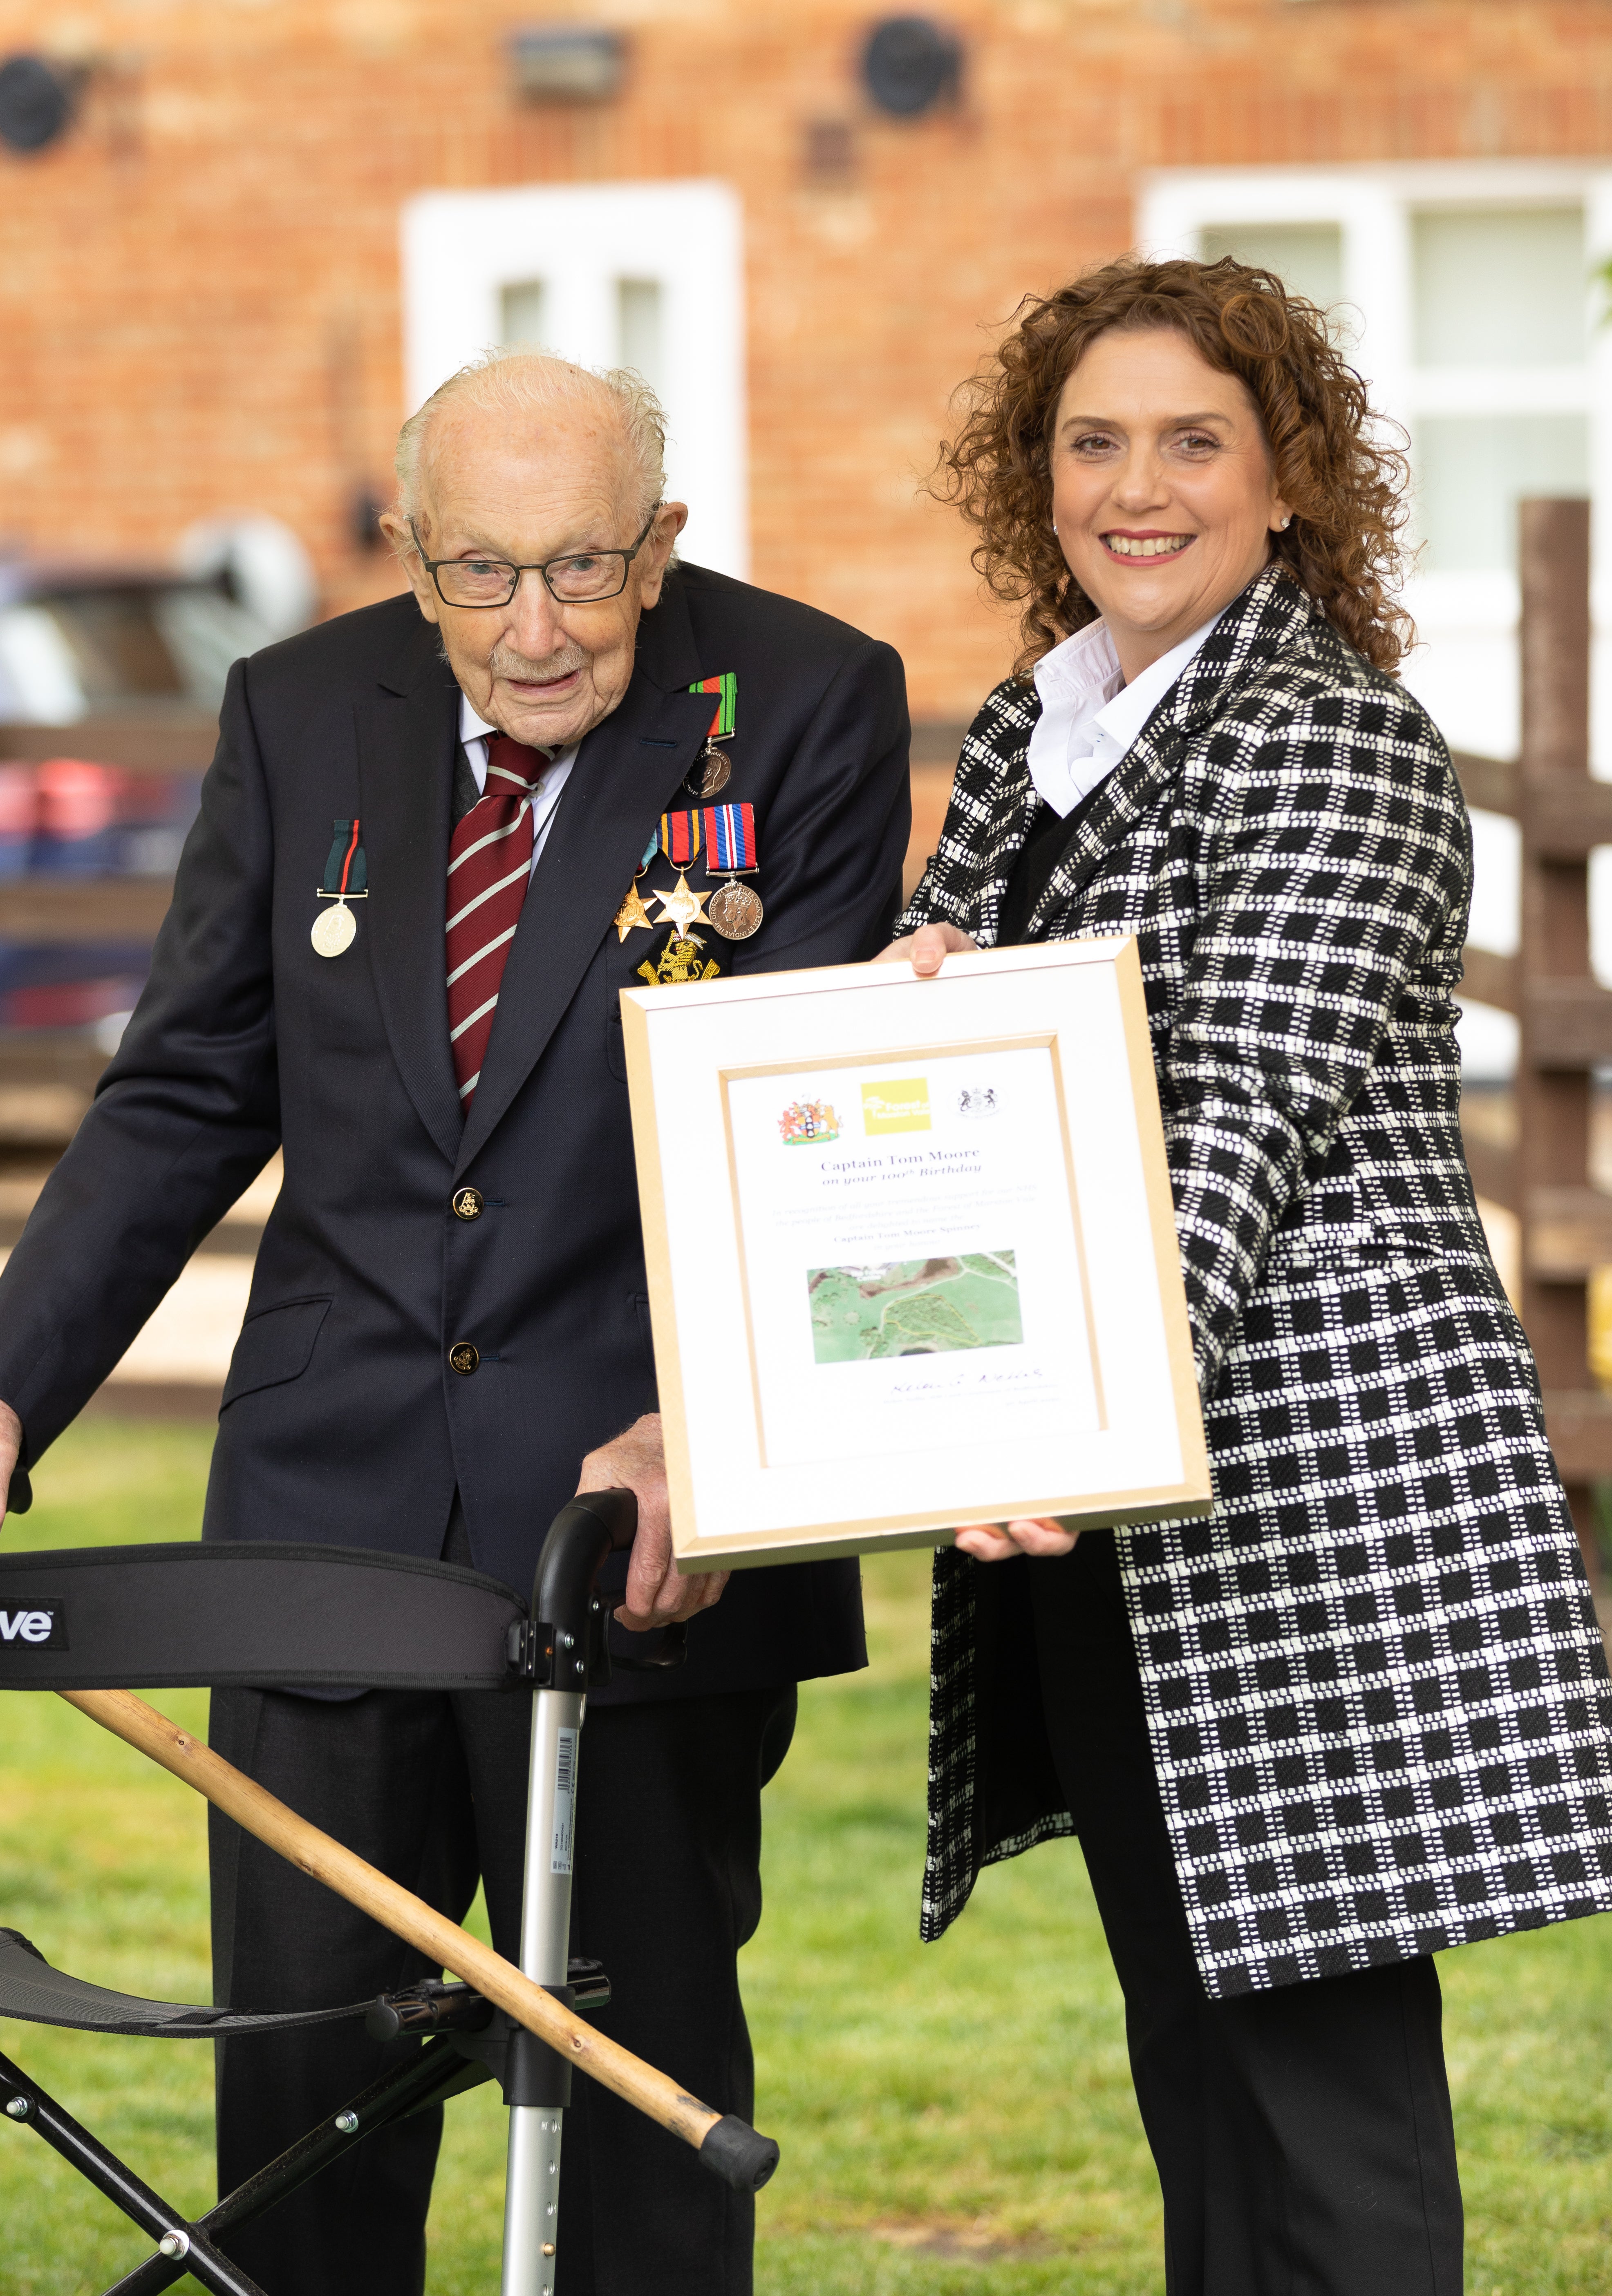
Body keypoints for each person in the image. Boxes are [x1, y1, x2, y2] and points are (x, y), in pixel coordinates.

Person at [0, 350, 910, 2294]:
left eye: (582, 567)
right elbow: (183, 1091)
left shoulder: (806, 700)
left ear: (661, 543)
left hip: (639, 1522)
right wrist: (5, 1387)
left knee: (633, 2095)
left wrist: (708, 1427)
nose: (534, 626)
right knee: (311, 2098)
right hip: (324, 1518)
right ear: (413, 558)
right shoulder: (297, 706)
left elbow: (809, 1130)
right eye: (480, 571)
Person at [882, 256, 1612, 2294]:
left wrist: (1062, 1412)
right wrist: (909, 1014)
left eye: (1191, 440)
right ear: (1036, 480)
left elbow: (1237, 1129)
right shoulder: (1039, 737)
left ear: (1284, 478)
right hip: (1114, 1511)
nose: (1137, 486)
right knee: (1194, 2071)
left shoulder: (1334, 742)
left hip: (1295, 1491)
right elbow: (957, 1097)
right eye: (1089, 442)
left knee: (1319, 2102)